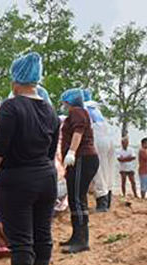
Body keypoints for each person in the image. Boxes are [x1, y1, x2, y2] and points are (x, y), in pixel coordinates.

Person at [0, 52, 60, 265]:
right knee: (42, 233)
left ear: (15, 81)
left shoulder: (11, 108)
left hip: (18, 179)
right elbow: (51, 149)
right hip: (47, 177)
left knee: (21, 235)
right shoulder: (50, 110)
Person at [59, 88, 99, 254]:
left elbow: (78, 132)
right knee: (76, 197)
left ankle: (82, 240)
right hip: (82, 158)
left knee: (77, 198)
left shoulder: (77, 112)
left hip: (82, 157)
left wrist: (72, 152)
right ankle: (77, 236)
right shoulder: (79, 112)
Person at [85, 90, 117, 212]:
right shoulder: (95, 108)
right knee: (108, 169)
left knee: (98, 170)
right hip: (108, 136)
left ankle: (102, 203)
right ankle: (108, 199)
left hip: (97, 137)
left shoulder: (84, 107)